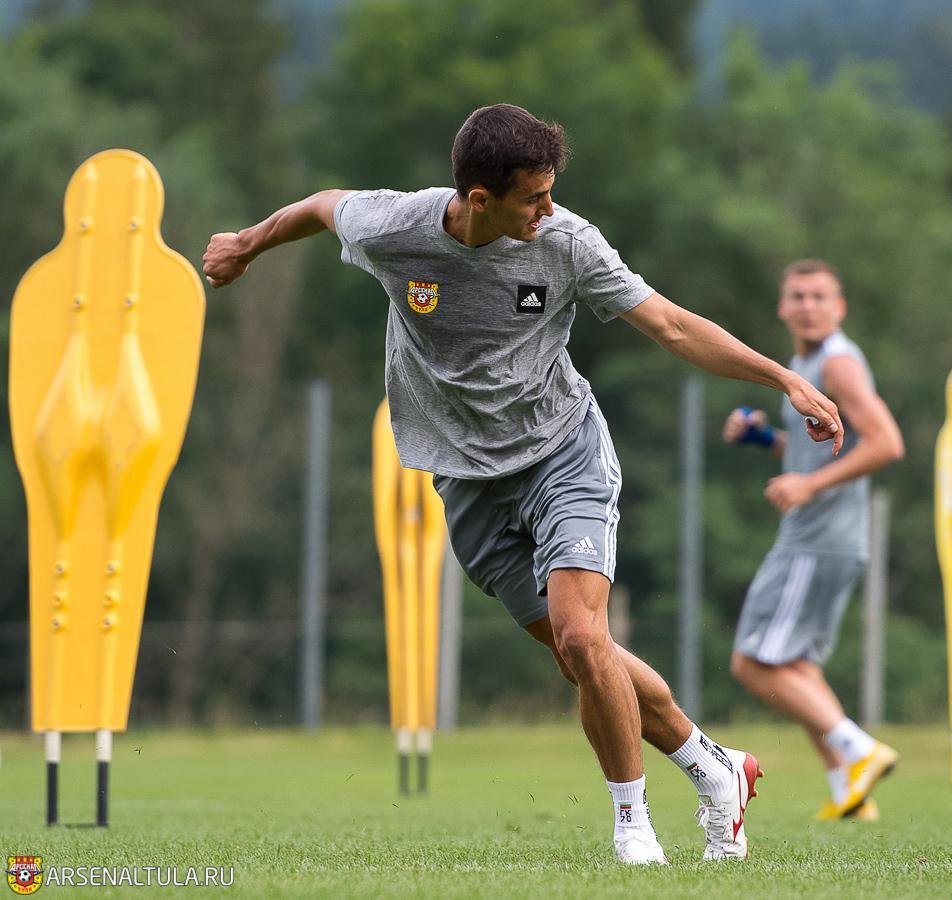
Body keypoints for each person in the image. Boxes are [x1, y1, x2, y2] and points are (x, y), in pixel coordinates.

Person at [202, 103, 845, 865]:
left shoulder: (568, 242)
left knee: (581, 633)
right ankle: (714, 769)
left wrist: (784, 380)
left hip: (562, 452)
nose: (549, 208)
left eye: (551, 192)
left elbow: (672, 326)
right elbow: (319, 206)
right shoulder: (393, 228)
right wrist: (246, 244)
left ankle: (633, 827)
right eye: (534, 197)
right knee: (583, 656)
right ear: (480, 199)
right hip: (464, 477)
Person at [721, 259, 905, 822]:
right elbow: (818, 449)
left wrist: (809, 486)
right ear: (783, 307)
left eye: (820, 296)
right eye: (798, 296)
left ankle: (859, 750)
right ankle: (849, 790)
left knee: (753, 664)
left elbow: (886, 443)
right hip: (828, 539)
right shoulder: (804, 365)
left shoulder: (837, 364)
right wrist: (764, 439)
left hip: (817, 540)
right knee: (797, 666)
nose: (808, 306)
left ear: (839, 307)